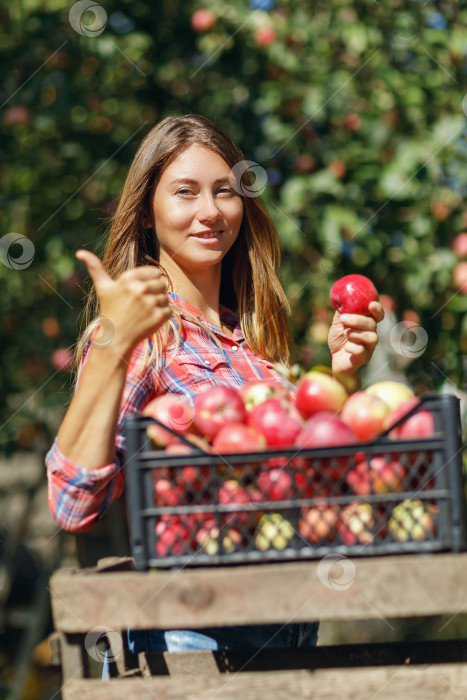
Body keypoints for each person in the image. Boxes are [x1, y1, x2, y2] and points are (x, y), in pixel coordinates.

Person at [46, 114, 384, 674]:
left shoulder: (255, 349)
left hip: (290, 625)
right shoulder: (144, 335)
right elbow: (72, 504)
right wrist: (112, 345)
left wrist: (339, 376)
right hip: (191, 640)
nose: (210, 211)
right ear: (148, 213)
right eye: (185, 192)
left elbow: (297, 486)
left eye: (225, 191)